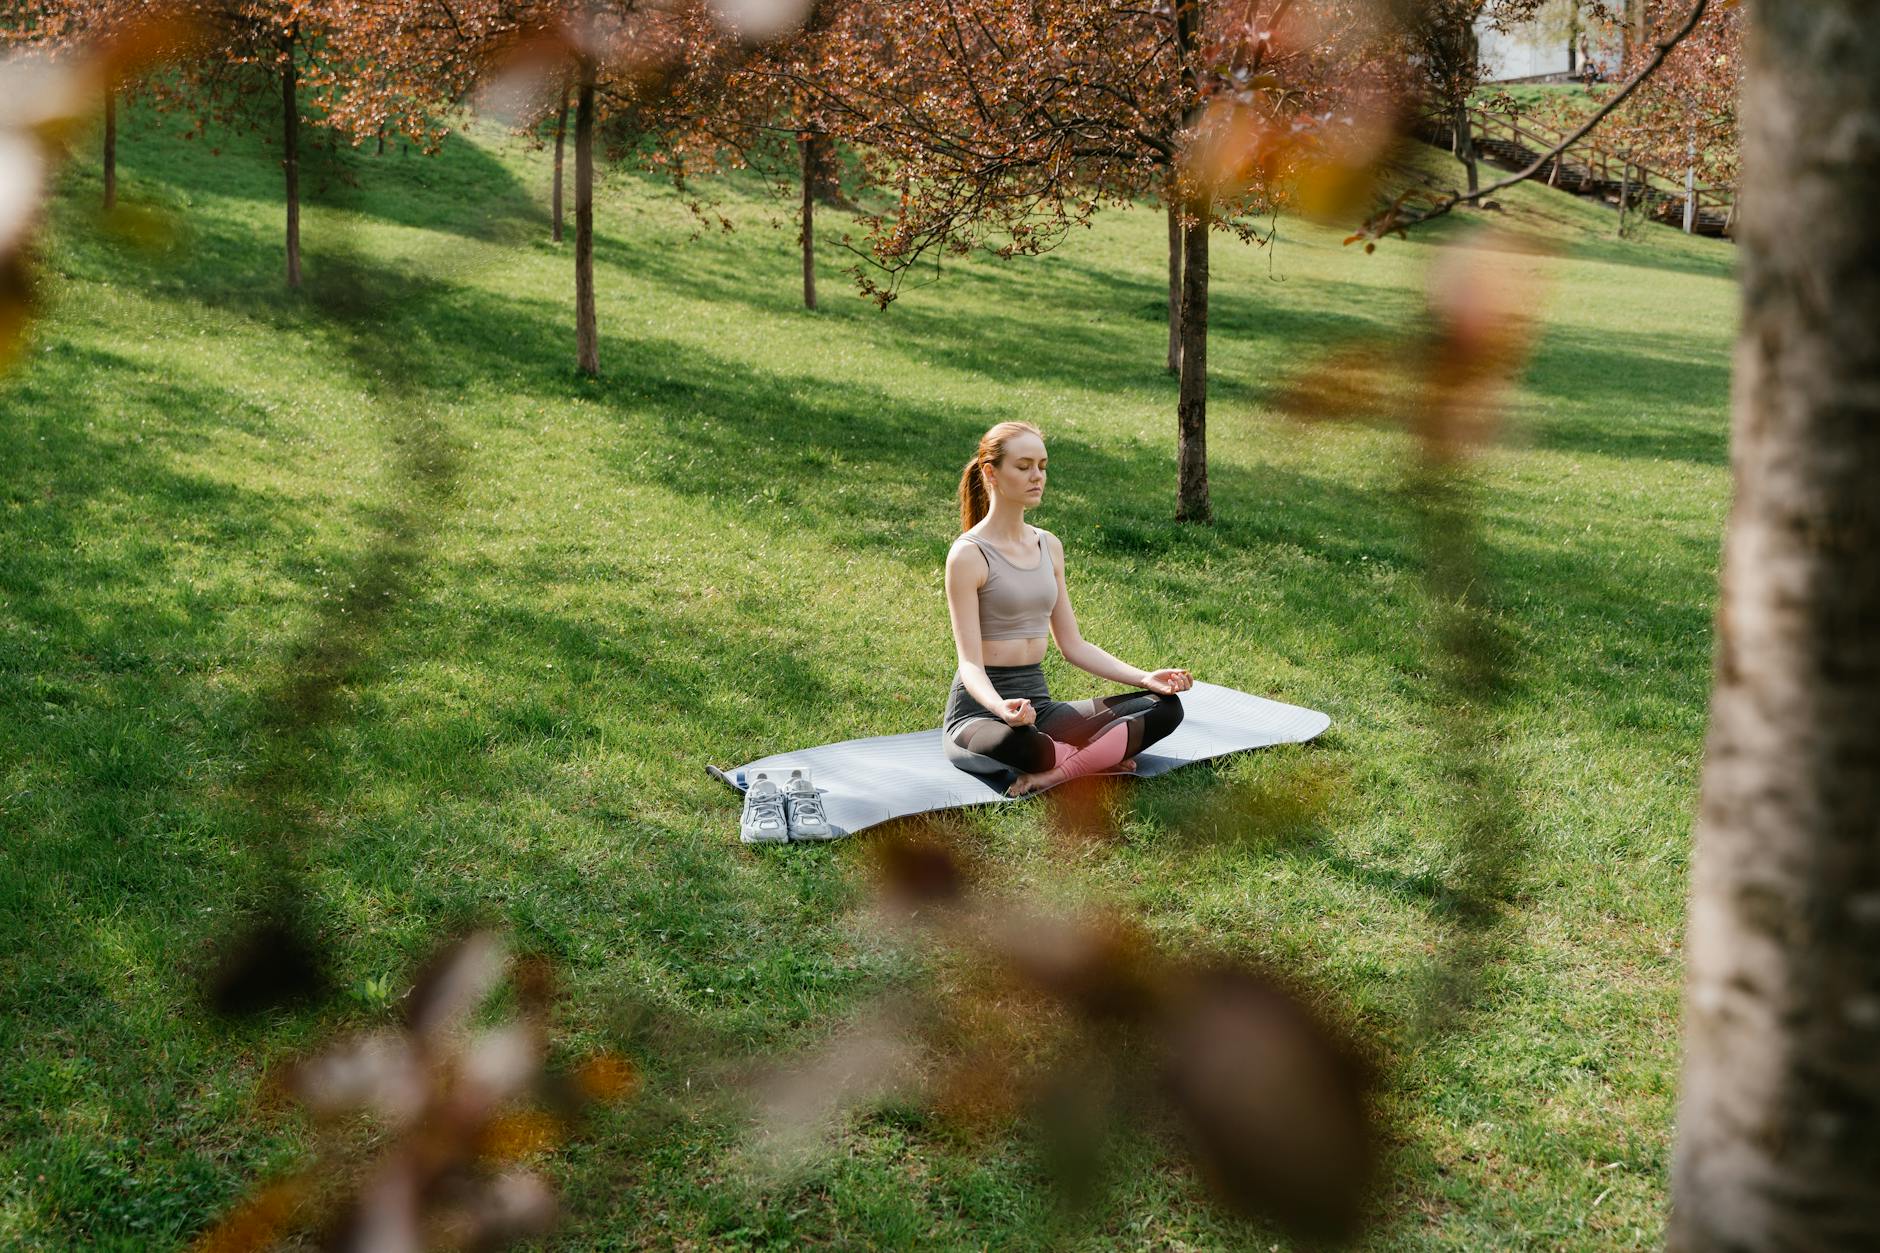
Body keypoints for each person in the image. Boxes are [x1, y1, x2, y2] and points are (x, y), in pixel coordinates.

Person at [942, 421, 1193, 797]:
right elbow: (970, 664)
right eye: (1023, 466)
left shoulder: (1049, 546)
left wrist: (1144, 678)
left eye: (1042, 466)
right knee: (1028, 746)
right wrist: (1001, 707)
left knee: (1166, 708)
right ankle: (1093, 759)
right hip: (980, 714)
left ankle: (1060, 774)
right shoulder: (968, 554)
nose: (1037, 476)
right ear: (990, 473)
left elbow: (1073, 645)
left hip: (1041, 707)